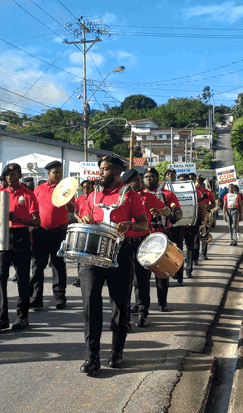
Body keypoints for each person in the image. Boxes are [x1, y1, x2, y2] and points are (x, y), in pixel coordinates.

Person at [76, 156, 147, 375]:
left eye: (105, 170)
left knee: (120, 306)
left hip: (120, 253)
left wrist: (131, 224)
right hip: (92, 254)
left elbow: (144, 224)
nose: (100, 173)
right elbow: (82, 217)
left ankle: (117, 350)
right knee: (90, 304)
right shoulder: (93, 194)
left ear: (116, 173)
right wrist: (83, 219)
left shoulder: (131, 195)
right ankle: (92, 356)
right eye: (100, 169)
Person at [0, 164, 40, 333]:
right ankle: (2, 317)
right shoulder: (1, 194)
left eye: (12, 174)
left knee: (22, 278)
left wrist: (18, 218)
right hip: (4, 236)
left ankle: (22, 316)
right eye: (6, 175)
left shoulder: (28, 194)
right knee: (1, 277)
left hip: (21, 236)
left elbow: (36, 221)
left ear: (19, 175)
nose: (9, 178)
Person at [126, 168, 171, 326]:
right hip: (124, 241)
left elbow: (167, 210)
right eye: (136, 180)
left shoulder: (147, 196)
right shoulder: (121, 198)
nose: (140, 183)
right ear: (127, 183)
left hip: (143, 240)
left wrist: (159, 211)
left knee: (142, 279)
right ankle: (126, 311)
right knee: (125, 279)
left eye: (140, 180)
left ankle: (142, 311)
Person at [30, 161, 74, 311]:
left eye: (61, 172)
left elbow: (73, 209)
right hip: (41, 231)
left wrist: (66, 199)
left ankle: (60, 298)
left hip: (59, 231)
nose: (59, 175)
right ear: (48, 173)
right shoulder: (39, 189)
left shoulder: (66, 188)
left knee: (59, 265)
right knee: (37, 266)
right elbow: (33, 209)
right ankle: (36, 298)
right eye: (56, 173)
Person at [142, 168, 181, 312]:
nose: (148, 179)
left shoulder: (168, 194)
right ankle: (141, 303)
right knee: (141, 274)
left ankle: (162, 302)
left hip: (162, 235)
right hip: (144, 236)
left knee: (162, 271)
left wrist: (175, 216)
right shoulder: (138, 195)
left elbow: (178, 211)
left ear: (157, 179)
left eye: (152, 177)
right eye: (146, 177)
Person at [71, 179, 95, 288]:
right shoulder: (79, 199)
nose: (86, 189)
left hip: (92, 227)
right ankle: (79, 277)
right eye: (84, 187)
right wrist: (79, 219)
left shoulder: (95, 198)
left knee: (90, 253)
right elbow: (75, 212)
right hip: (81, 227)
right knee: (79, 253)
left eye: (88, 187)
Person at [196, 176, 216, 260]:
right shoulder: (193, 191)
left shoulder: (208, 192)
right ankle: (195, 255)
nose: (197, 183)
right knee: (195, 235)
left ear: (201, 182)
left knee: (205, 234)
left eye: (198, 182)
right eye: (196, 182)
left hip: (205, 215)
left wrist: (208, 207)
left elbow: (213, 203)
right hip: (196, 215)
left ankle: (204, 254)